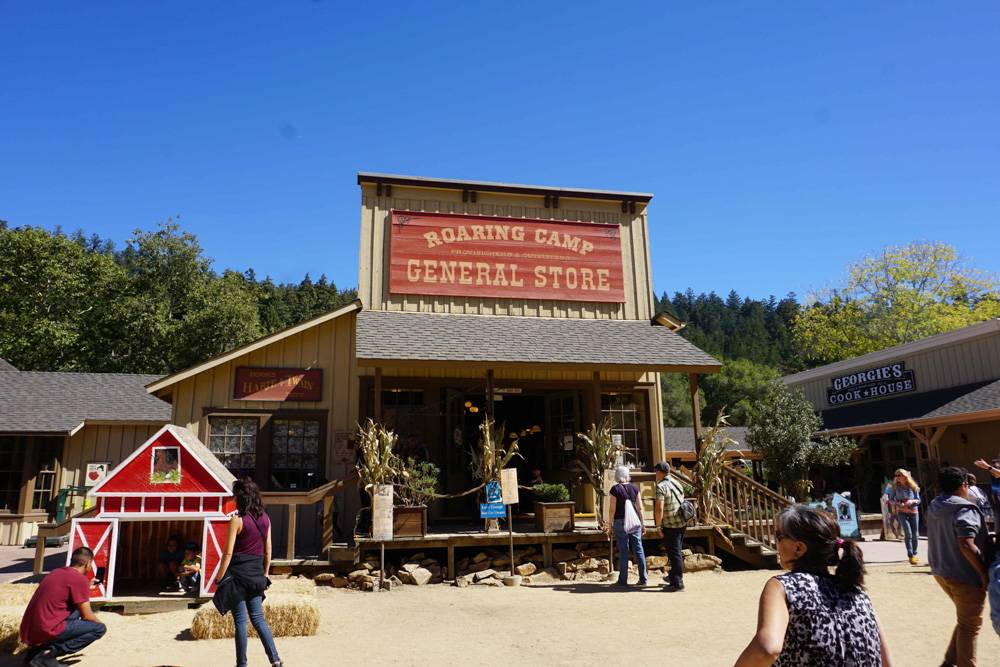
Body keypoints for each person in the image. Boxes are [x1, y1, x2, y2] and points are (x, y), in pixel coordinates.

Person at [734, 504, 892, 667]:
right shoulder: (857, 592)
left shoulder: (784, 587)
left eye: (778, 536)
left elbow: (766, 650)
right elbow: (887, 663)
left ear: (799, 548)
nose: (775, 541)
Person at [213, 478, 283, 667]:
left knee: (240, 622)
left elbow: (228, 553)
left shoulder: (237, 520)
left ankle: (242, 664)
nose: (233, 499)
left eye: (234, 495)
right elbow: (268, 549)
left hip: (237, 577)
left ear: (240, 498)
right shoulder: (265, 518)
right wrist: (266, 573)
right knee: (259, 619)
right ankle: (275, 660)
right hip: (257, 575)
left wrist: (219, 579)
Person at [927, 466, 990, 667]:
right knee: (970, 626)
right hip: (965, 573)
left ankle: (949, 662)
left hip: (941, 571)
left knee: (965, 621)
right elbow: (966, 543)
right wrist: (983, 571)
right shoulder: (965, 508)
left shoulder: (934, 505)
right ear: (964, 486)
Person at [20, 547, 107, 667]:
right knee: (99, 629)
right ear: (88, 563)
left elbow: (64, 591)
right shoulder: (79, 579)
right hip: (44, 630)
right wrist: (102, 624)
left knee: (74, 612)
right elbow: (87, 616)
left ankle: (35, 652)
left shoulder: (56, 572)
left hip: (29, 630)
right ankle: (47, 655)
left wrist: (85, 587)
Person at [605, 465, 646, 587]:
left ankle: (623, 581)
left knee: (623, 551)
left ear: (617, 476)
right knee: (638, 549)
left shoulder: (615, 489)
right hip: (634, 522)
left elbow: (612, 508)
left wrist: (610, 525)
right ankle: (643, 579)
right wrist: (643, 523)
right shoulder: (635, 488)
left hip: (619, 521)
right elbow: (640, 508)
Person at [652, 461, 687, 592]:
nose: (655, 474)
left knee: (674, 553)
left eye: (656, 471)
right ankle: (673, 576)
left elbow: (659, 507)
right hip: (681, 522)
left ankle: (677, 583)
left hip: (670, 524)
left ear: (660, 472)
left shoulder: (661, 486)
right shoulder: (676, 483)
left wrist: (658, 525)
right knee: (676, 551)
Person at [886, 469, 921, 564]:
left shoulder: (912, 486)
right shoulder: (895, 487)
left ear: (905, 476)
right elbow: (891, 499)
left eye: (899, 475)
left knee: (915, 534)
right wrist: (896, 503)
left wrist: (912, 501)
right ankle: (911, 555)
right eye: (896, 475)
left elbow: (918, 500)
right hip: (901, 511)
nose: (897, 477)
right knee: (908, 533)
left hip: (913, 511)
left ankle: (915, 552)